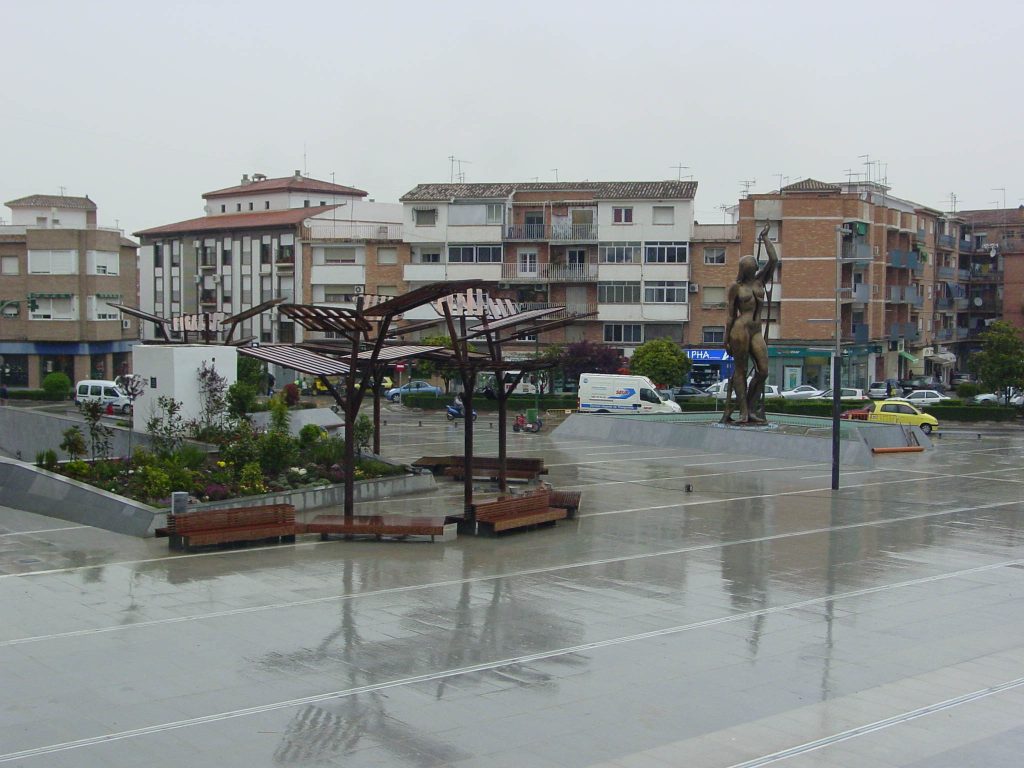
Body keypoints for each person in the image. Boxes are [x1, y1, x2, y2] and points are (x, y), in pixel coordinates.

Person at [722, 222, 780, 424]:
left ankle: (751, 406)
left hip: (756, 330)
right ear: (744, 270)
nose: (755, 268)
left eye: (755, 266)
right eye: (751, 267)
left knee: (763, 371)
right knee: (740, 370)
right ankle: (744, 412)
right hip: (739, 330)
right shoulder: (735, 288)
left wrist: (764, 238)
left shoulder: (759, 282)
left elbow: (774, 259)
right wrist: (725, 338)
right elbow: (730, 314)